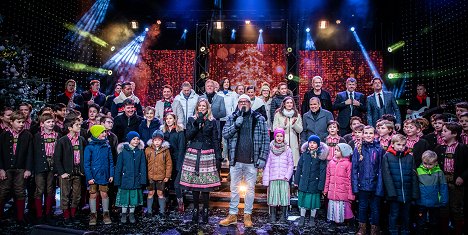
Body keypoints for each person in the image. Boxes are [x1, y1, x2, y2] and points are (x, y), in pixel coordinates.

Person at [220, 94, 269, 228]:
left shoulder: (258, 119)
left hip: (251, 161)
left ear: (250, 104)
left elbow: (265, 140)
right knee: (234, 189)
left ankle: (247, 215)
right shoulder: (232, 118)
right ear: (238, 104)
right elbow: (225, 134)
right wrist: (236, 125)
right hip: (236, 160)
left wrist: (263, 158)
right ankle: (232, 215)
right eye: (240, 102)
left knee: (250, 190)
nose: (243, 104)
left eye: (245, 102)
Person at [180, 99, 222, 224]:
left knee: (205, 185)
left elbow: (215, 138)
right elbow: (188, 136)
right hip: (193, 152)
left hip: (207, 153)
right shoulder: (191, 119)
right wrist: (196, 124)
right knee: (195, 185)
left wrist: (218, 155)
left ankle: (205, 210)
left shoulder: (212, 121)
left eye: (204, 106)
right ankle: (195, 210)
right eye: (200, 106)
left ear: (207, 107)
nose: (202, 108)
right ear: (197, 107)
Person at [434, 122, 468, 234]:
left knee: (456, 208)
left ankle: (458, 230)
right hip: (443, 183)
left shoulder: (462, 148)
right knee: (443, 208)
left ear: (454, 133)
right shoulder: (439, 148)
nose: (442, 133)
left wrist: (462, 177)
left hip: (456, 184)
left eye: (445, 131)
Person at [382, 134, 420, 235]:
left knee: (406, 214)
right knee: (394, 214)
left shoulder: (409, 157)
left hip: (407, 192)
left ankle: (405, 230)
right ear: (392, 144)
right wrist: (391, 193)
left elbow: (414, 176)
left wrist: (415, 193)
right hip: (394, 193)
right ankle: (393, 230)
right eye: (398, 144)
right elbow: (387, 175)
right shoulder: (387, 156)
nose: (401, 147)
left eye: (403, 145)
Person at [0, 111, 33, 224]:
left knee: (20, 191)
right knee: (3, 190)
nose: (21, 124)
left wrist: (28, 169)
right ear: (11, 122)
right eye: (18, 122)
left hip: (20, 168)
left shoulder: (27, 135)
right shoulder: (4, 135)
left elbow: (30, 152)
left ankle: (20, 216)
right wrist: (1, 169)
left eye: (23, 122)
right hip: (7, 168)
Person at [352, 125, 384, 235]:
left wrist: (380, 186)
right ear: (362, 134)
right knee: (362, 207)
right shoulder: (358, 148)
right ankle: (362, 227)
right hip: (363, 184)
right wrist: (355, 186)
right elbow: (354, 169)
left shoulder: (379, 149)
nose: (368, 135)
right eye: (366, 133)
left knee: (375, 207)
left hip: (375, 184)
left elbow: (381, 168)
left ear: (375, 135)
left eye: (370, 133)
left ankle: (374, 228)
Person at [54, 115, 86, 226]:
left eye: (79, 124)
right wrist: (62, 172)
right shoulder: (62, 140)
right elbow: (57, 158)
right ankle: (66, 216)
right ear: (70, 128)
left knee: (76, 194)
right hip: (66, 172)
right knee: (65, 194)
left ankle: (73, 214)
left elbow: (84, 156)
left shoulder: (81, 140)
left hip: (78, 171)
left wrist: (82, 169)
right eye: (77, 125)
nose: (79, 126)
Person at [294, 135, 328, 227]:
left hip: (314, 183)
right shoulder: (305, 154)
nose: (312, 145)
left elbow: (322, 171)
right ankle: (302, 217)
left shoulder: (321, 156)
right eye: (310, 143)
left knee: (313, 202)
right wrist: (297, 180)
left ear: (318, 145)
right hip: (304, 182)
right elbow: (299, 167)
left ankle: (312, 218)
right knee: (303, 201)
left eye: (314, 143)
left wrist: (321, 185)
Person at [84, 125, 114, 225]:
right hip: (93, 176)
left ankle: (106, 214)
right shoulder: (89, 147)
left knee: (104, 194)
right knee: (93, 194)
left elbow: (110, 161)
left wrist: (111, 174)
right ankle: (93, 214)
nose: (104, 134)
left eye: (105, 132)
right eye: (102, 132)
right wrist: (89, 177)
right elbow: (86, 164)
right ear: (96, 134)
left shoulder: (107, 146)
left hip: (104, 175)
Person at [33, 113, 61, 223]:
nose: (51, 124)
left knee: (50, 189)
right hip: (40, 164)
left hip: (53, 164)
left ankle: (48, 213)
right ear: (42, 124)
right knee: (39, 189)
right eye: (48, 122)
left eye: (52, 122)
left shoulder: (57, 135)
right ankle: (39, 215)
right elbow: (33, 152)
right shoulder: (37, 136)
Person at [262, 128, 294, 224]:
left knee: (284, 197)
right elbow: (267, 164)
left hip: (283, 178)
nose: (279, 138)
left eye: (281, 136)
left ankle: (283, 215)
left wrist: (288, 176)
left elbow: (290, 164)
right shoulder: (270, 149)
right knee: (273, 197)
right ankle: (272, 215)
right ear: (274, 137)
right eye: (277, 136)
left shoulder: (287, 149)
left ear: (283, 137)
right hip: (273, 177)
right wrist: (266, 179)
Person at [114, 131, 147, 224]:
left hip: (136, 179)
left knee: (133, 198)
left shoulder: (140, 152)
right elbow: (119, 167)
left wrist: (142, 179)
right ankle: (124, 213)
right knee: (124, 197)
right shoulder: (123, 151)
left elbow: (143, 166)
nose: (136, 141)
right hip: (125, 179)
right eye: (134, 139)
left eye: (138, 139)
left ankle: (131, 214)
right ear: (129, 140)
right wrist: (117, 180)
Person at [323, 143, 355, 230]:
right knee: (333, 208)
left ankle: (351, 223)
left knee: (346, 210)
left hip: (343, 192)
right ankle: (333, 223)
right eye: (335, 150)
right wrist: (325, 190)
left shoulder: (348, 164)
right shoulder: (331, 163)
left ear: (344, 152)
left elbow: (350, 180)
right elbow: (328, 177)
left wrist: (350, 194)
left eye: (338, 150)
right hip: (332, 192)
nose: (335, 152)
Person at [416, 150, 448, 234]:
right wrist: (414, 199)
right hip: (421, 203)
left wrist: (444, 201)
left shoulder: (439, 173)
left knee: (434, 223)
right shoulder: (418, 171)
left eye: (430, 164)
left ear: (436, 163)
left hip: (435, 203)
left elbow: (443, 187)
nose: (427, 166)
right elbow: (415, 187)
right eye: (425, 163)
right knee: (421, 222)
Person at [161, 113, 186, 213]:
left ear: (174, 119)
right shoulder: (163, 132)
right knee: (166, 183)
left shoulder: (179, 132)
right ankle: (166, 202)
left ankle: (180, 203)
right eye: (167, 119)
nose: (168, 120)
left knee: (176, 184)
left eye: (170, 118)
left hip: (177, 160)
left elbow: (181, 148)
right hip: (166, 161)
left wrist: (180, 164)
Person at [145, 130, 172, 218]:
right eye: (155, 140)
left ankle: (162, 211)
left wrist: (167, 176)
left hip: (161, 177)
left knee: (160, 193)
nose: (157, 142)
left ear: (162, 141)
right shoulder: (148, 150)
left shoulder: (165, 150)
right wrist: (145, 176)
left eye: (159, 140)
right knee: (150, 193)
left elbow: (169, 164)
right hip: (151, 177)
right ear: (152, 141)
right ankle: (149, 211)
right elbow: (144, 163)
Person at [273, 96, 303, 166]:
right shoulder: (278, 115)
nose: (289, 104)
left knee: (293, 165)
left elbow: (300, 130)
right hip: (282, 143)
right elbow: (275, 129)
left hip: (294, 143)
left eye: (291, 103)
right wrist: (284, 125)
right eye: (287, 103)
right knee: (283, 164)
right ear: (284, 104)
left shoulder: (297, 115)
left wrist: (294, 125)